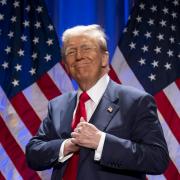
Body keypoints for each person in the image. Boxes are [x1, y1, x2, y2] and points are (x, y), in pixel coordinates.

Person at [26, 24, 169, 180]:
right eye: (71, 51)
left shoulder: (136, 101)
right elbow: (33, 153)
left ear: (104, 58)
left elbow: (157, 159)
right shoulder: (57, 105)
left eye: (86, 48)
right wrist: (66, 146)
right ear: (66, 65)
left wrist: (101, 142)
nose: (79, 56)